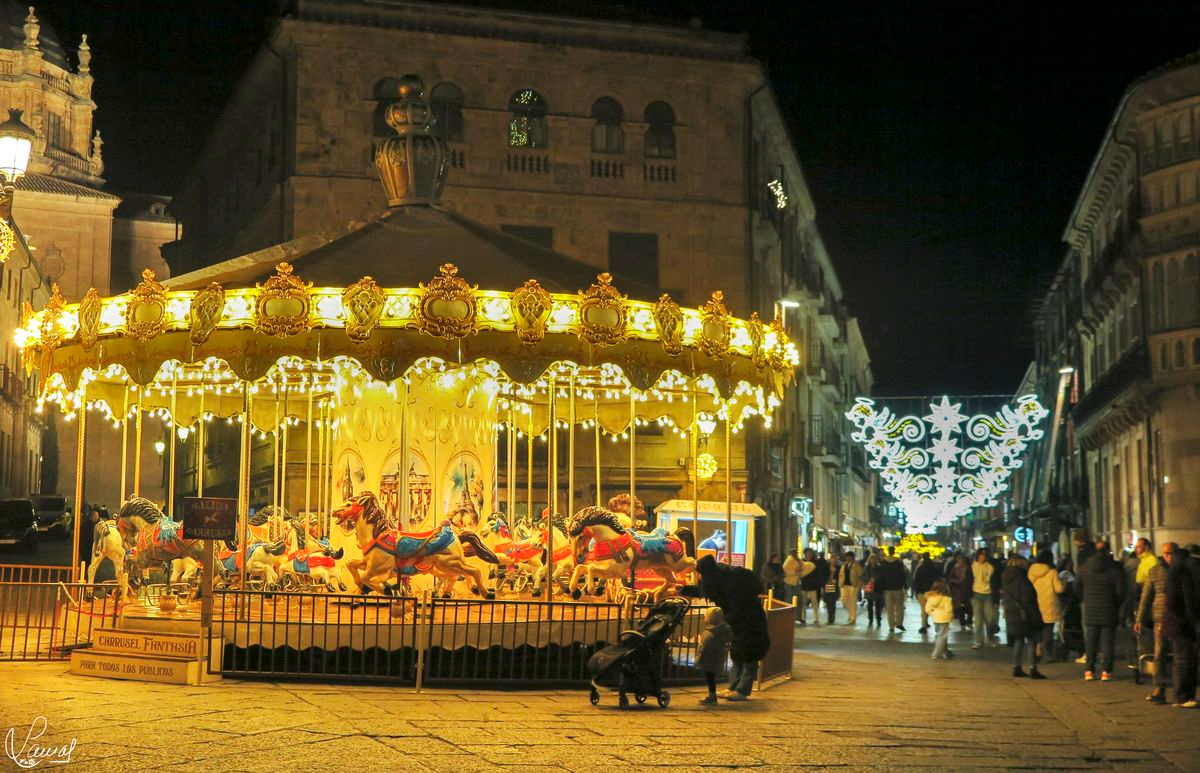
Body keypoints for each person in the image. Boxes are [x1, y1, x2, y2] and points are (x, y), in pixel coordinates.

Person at [681, 555, 770, 701]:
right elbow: (707, 591)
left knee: (749, 657)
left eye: (700, 573)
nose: (699, 577)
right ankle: (733, 688)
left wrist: (729, 619)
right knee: (737, 655)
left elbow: (735, 604)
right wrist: (685, 590)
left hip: (749, 621)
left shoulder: (728, 580)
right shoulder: (718, 578)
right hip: (739, 621)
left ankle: (742, 691)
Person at [1075, 541, 1126, 681]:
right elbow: (1121, 591)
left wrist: (1084, 599)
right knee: (1107, 642)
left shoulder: (1084, 567)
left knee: (1090, 641)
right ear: (1109, 551)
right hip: (1109, 609)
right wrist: (1116, 603)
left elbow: (1076, 586)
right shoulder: (1115, 568)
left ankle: (1089, 670)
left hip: (1090, 608)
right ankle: (1106, 671)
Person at [1161, 543, 1198, 708]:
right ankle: (1181, 697)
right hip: (1179, 625)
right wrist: (1186, 620)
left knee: (1188, 659)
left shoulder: (1177, 575)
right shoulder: (1178, 578)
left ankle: (1186, 696)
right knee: (1183, 660)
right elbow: (1172, 605)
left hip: (1179, 624)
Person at [1135, 546, 1169, 703]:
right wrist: (1139, 619)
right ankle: (1159, 687)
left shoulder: (1183, 569)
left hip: (1178, 618)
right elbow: (1146, 597)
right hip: (1160, 618)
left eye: (1171, 553)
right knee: (1159, 653)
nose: (1168, 556)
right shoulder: (1155, 571)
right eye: (1166, 553)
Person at [1003, 554, 1046, 679]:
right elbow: (1028, 601)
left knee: (1018, 640)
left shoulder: (1007, 579)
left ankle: (1016, 667)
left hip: (1013, 614)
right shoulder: (1023, 580)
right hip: (1025, 615)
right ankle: (1033, 668)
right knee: (1032, 640)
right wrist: (1036, 618)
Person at [1028, 550, 1065, 662]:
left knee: (1037, 629)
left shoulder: (1031, 570)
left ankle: (1037, 648)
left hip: (1035, 603)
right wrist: (1064, 581)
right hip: (1049, 604)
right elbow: (1059, 589)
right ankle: (1048, 654)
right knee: (1048, 630)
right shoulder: (1052, 572)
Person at [696, 606, 732, 705]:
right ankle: (712, 696)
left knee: (710, 678)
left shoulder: (709, 633)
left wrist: (699, 658)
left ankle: (712, 697)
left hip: (709, 659)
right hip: (718, 657)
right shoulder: (722, 631)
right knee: (711, 678)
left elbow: (705, 648)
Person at [970, 549, 998, 649]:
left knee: (989, 618)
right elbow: (968, 581)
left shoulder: (990, 567)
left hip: (988, 593)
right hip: (976, 593)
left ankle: (990, 638)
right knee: (978, 620)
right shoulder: (972, 567)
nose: (983, 557)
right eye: (981, 555)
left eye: (984, 555)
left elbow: (994, 580)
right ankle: (978, 641)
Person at [878, 546, 908, 633]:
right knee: (899, 606)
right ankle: (899, 623)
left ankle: (891, 625)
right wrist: (905, 585)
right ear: (894, 552)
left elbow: (881, 576)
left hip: (887, 588)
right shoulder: (898, 563)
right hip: (897, 588)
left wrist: (881, 587)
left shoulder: (883, 563)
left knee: (889, 608)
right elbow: (902, 575)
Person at [911, 553, 942, 634]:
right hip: (933, 592)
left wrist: (917, 592)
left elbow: (917, 581)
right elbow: (939, 579)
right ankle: (937, 626)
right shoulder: (935, 568)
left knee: (923, 609)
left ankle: (924, 626)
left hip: (922, 592)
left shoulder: (920, 568)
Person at [924, 579, 955, 660]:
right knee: (942, 636)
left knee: (940, 635)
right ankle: (936, 653)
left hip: (936, 619)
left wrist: (933, 614)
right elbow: (949, 609)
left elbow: (927, 609)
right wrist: (951, 616)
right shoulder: (946, 598)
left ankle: (945, 652)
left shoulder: (931, 598)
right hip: (944, 619)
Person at [799, 548, 824, 625]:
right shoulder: (801, 562)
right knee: (803, 602)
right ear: (805, 553)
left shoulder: (815, 562)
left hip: (813, 585)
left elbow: (818, 573)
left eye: (810, 553)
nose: (809, 554)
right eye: (807, 553)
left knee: (814, 602)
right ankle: (803, 618)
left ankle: (816, 618)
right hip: (804, 584)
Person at [948, 554, 973, 631]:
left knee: (969, 607)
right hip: (958, 591)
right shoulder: (955, 568)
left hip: (967, 590)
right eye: (959, 560)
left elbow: (971, 579)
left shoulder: (969, 568)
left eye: (961, 560)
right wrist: (954, 582)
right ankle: (962, 623)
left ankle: (969, 621)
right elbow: (950, 578)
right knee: (960, 608)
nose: (960, 562)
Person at [839, 551, 862, 625]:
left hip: (853, 585)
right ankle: (850, 614)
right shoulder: (844, 565)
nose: (847, 558)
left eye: (849, 556)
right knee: (844, 601)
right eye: (846, 556)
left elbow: (860, 576)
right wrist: (840, 583)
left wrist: (859, 585)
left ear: (852, 557)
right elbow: (841, 575)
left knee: (852, 602)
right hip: (844, 585)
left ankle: (853, 618)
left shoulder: (856, 565)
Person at [862, 553, 885, 627]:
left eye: (874, 559)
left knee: (878, 606)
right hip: (869, 588)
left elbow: (882, 577)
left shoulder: (879, 568)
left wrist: (876, 580)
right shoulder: (866, 568)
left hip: (877, 588)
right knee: (870, 605)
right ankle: (870, 619)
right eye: (872, 559)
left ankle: (878, 619)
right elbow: (862, 577)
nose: (873, 560)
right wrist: (869, 580)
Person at [782, 549, 805, 618]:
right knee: (789, 599)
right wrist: (796, 570)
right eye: (795, 553)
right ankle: (788, 615)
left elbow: (803, 566)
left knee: (799, 599)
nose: (796, 554)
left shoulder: (797, 560)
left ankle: (797, 616)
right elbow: (785, 570)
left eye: (796, 553)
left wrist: (799, 561)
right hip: (789, 583)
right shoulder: (789, 560)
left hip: (796, 582)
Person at [822, 554, 840, 624]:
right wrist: (826, 580)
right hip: (827, 585)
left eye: (835, 559)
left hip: (834, 586)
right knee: (828, 602)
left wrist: (836, 580)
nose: (834, 560)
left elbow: (840, 576)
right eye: (833, 559)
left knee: (833, 602)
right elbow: (823, 575)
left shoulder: (838, 567)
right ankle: (829, 618)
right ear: (830, 559)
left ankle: (832, 618)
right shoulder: (826, 567)